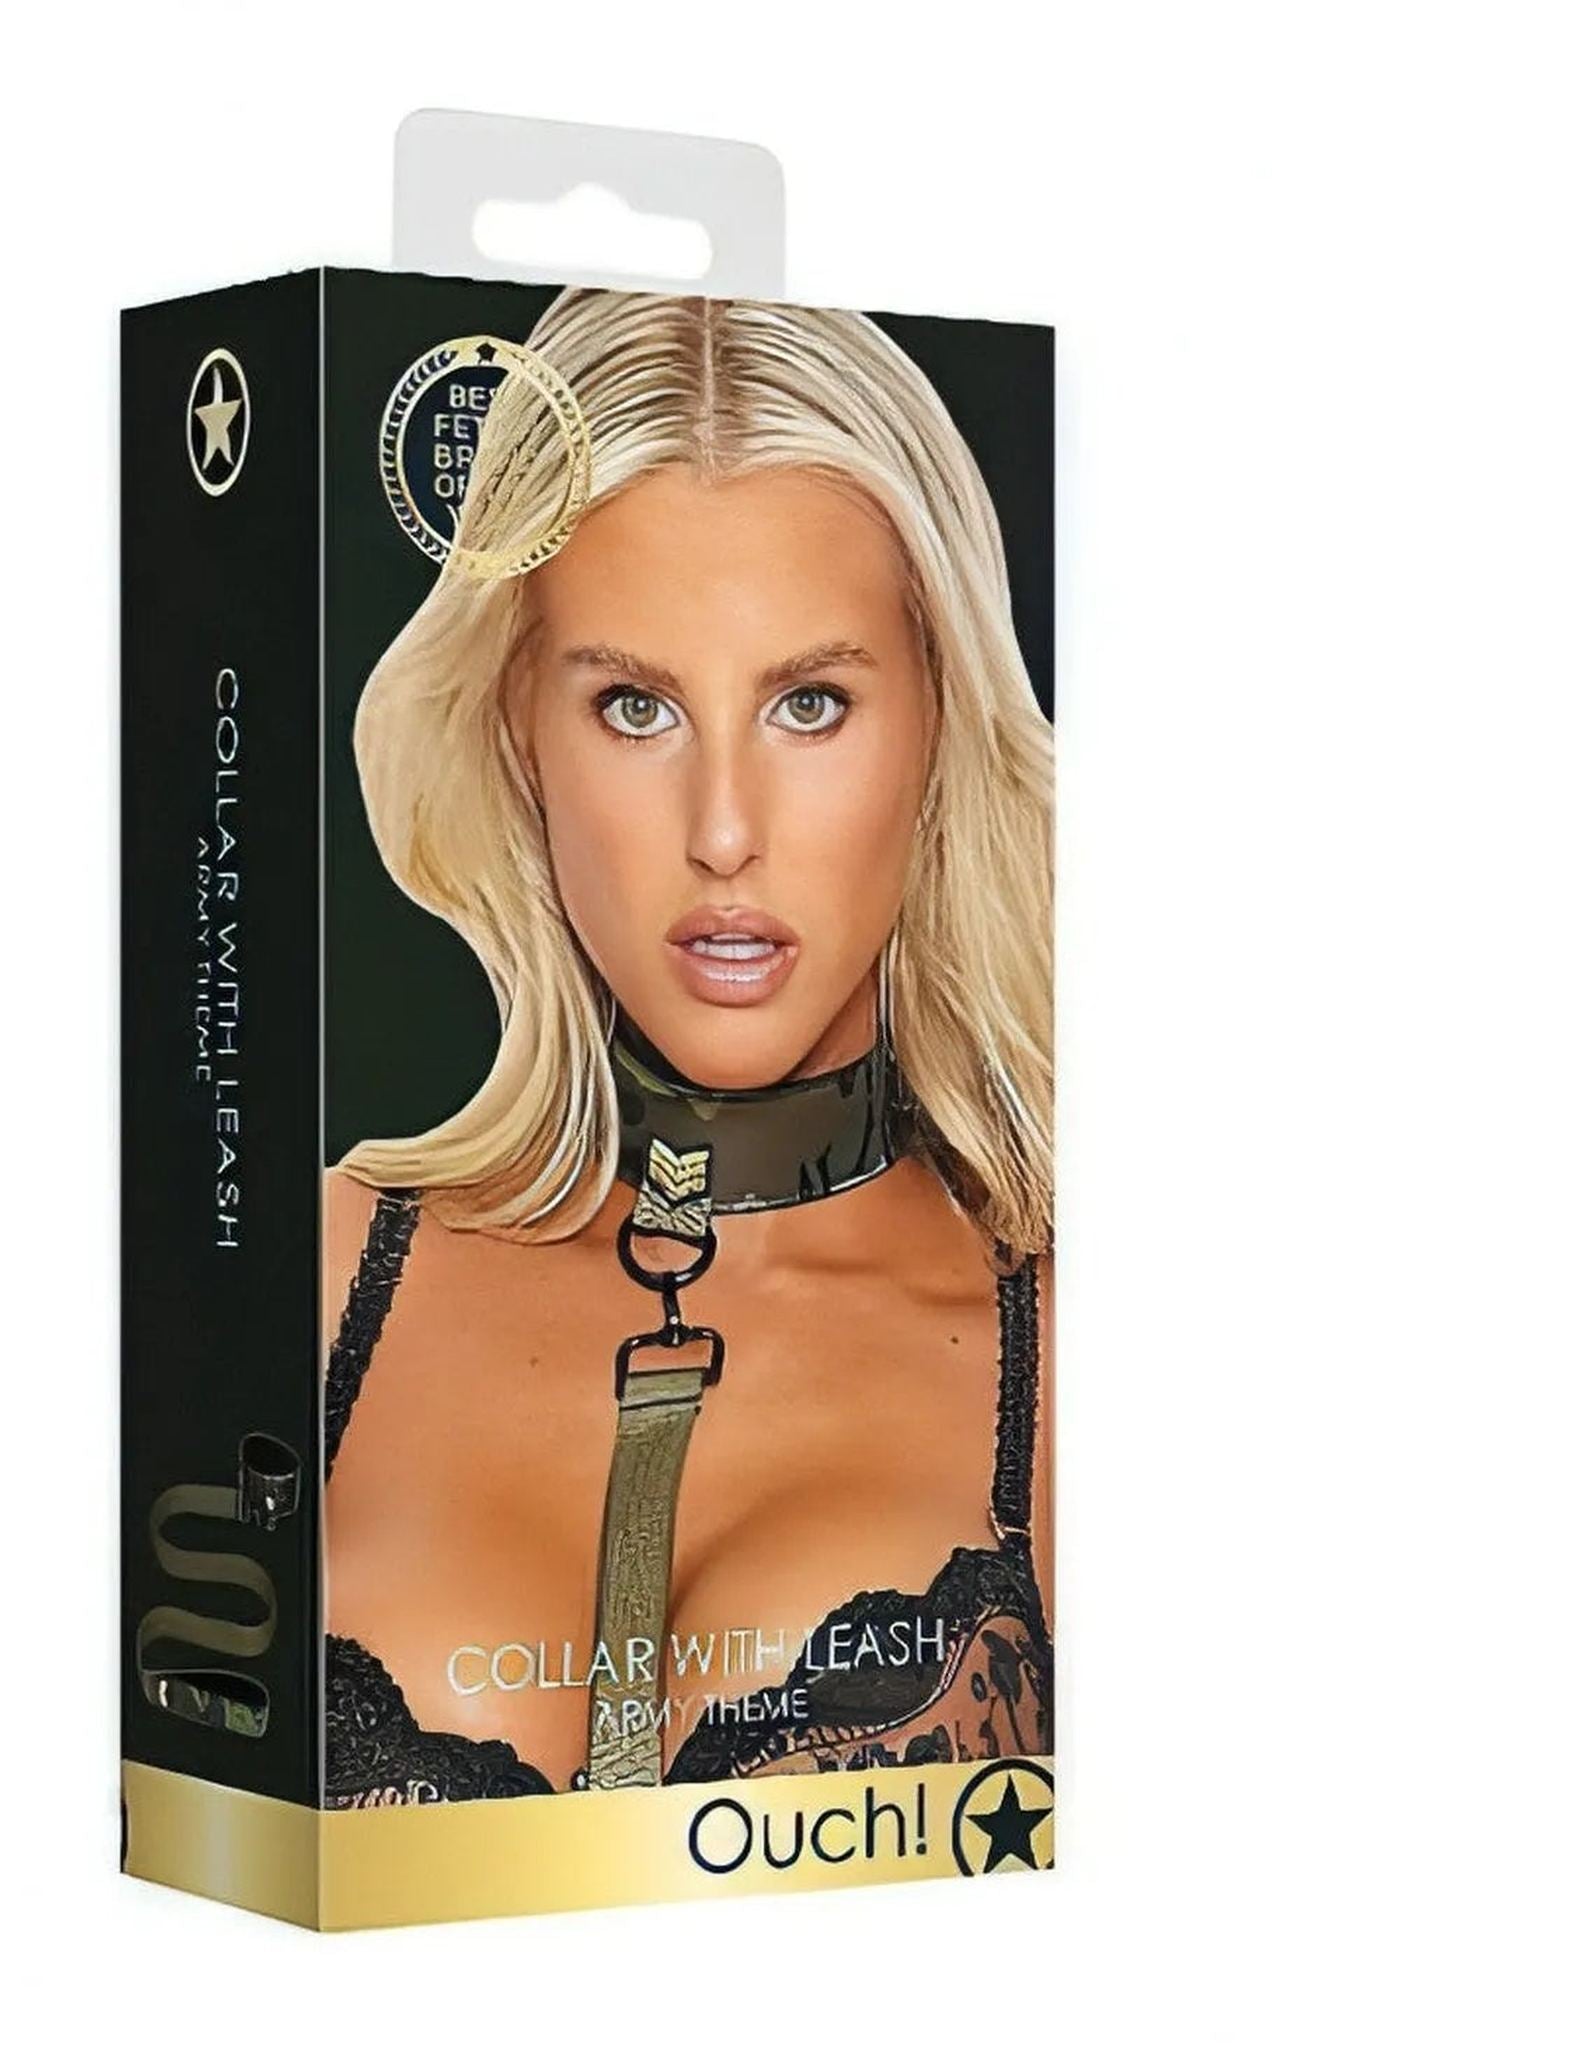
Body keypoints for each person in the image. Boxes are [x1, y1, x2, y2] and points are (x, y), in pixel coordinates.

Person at [323, 288, 1052, 1804]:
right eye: (636, 707)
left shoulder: (1080, 1345)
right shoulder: (312, 1283)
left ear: (938, 725)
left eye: (811, 703)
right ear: (520, 731)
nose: (724, 831)